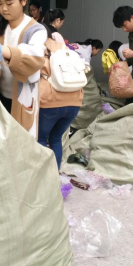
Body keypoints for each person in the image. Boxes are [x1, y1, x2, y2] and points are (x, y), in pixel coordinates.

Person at [0, 0, 47, 138]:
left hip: (23, 100)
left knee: (21, 143)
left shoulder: (36, 30)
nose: (3, 8)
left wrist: (1, 49)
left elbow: (34, 58)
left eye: (9, 3)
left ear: (23, 1)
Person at [38, 26, 83, 168]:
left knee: (40, 138)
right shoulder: (66, 49)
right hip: (74, 103)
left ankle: (42, 177)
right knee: (56, 139)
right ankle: (55, 174)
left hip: (51, 102)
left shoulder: (39, 48)